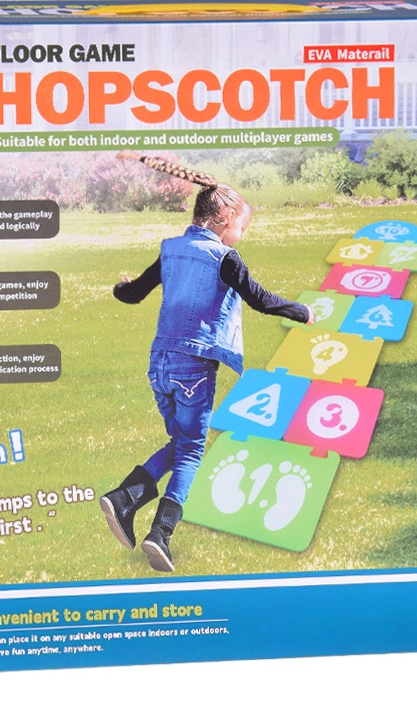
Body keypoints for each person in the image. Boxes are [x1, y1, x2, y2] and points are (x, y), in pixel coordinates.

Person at [100, 151, 314, 572]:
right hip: (194, 368)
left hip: (160, 364)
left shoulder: (171, 250)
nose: (239, 236)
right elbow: (260, 299)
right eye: (240, 228)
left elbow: (134, 293)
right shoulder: (223, 258)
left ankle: (125, 498)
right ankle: (160, 533)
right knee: (192, 450)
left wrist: (119, 287)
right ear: (224, 218)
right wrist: (302, 311)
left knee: (181, 442)